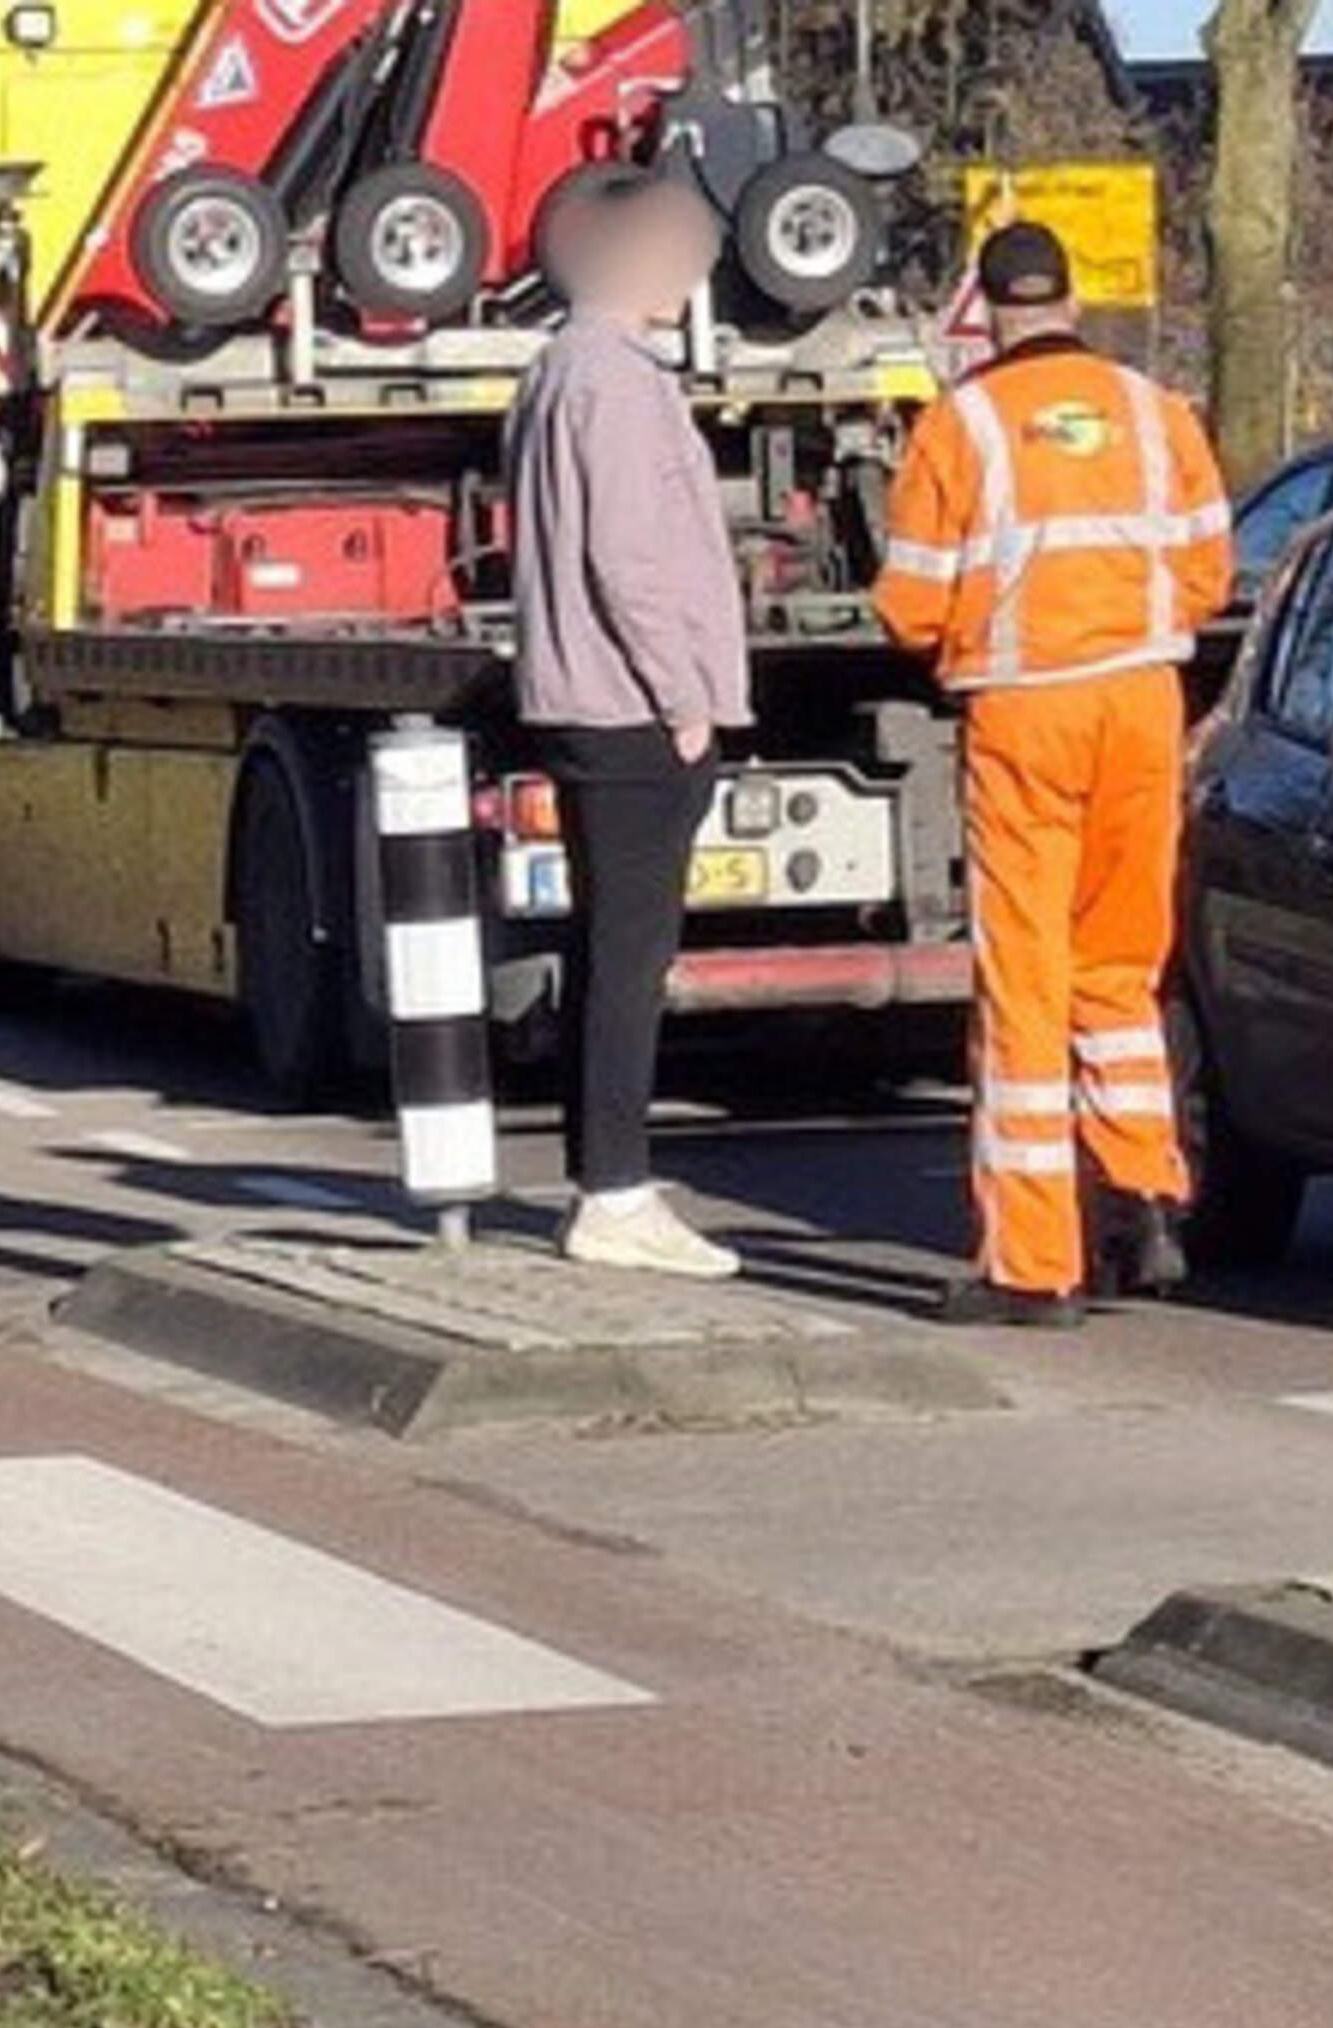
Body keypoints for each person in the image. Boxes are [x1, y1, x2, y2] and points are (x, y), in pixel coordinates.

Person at [876, 221, 1233, 1328]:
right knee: (1121, 966)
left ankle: (1034, 1266)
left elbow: (911, 603)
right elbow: (1210, 573)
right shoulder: (1155, 412)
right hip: (1143, 703)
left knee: (1024, 980)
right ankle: (1144, 1194)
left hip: (1026, 713)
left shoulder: (961, 424)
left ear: (986, 313)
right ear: (1072, 301)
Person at [508, 170, 754, 1278]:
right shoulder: (612, 381)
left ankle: (605, 1182)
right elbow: (629, 555)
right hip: (630, 707)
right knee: (629, 957)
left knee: (610, 950)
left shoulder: (565, 370)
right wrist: (684, 699)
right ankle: (614, 1193)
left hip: (599, 698)